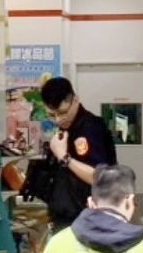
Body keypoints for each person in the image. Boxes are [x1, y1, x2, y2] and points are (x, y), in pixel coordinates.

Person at [40, 77, 117, 232]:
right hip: (64, 218)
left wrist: (64, 157)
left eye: (62, 113)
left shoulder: (91, 127)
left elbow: (100, 177)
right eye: (51, 115)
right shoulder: (66, 128)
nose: (58, 120)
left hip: (88, 220)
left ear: (75, 100)